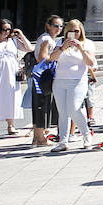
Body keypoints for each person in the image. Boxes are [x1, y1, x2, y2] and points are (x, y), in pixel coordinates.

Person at [0, 19, 33, 138]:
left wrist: (21, 35)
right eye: (4, 29)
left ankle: (10, 125)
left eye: (9, 29)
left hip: (11, 73)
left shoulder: (13, 41)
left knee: (11, 97)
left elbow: (29, 48)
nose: (7, 32)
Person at [49, 19, 96, 153]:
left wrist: (81, 48)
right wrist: (63, 47)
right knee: (62, 112)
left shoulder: (88, 44)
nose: (74, 33)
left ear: (81, 31)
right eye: (72, 30)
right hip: (59, 80)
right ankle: (63, 141)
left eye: (77, 30)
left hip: (77, 80)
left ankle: (86, 134)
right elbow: (52, 58)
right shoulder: (60, 42)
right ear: (66, 31)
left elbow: (91, 62)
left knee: (74, 109)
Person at [30, 16, 62, 146]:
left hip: (43, 77)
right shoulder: (46, 39)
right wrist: (55, 56)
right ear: (48, 25)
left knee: (42, 106)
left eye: (61, 26)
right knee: (42, 106)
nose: (58, 28)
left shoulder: (48, 38)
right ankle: (40, 138)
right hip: (42, 77)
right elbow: (42, 59)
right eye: (56, 25)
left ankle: (37, 137)